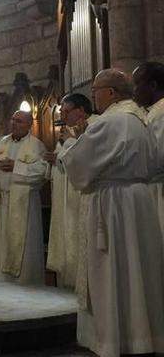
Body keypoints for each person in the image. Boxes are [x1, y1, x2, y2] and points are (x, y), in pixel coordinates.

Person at [60, 68, 164, 357]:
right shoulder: (141, 118)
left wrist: (71, 143)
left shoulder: (111, 121)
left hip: (114, 201)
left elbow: (79, 163)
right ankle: (143, 336)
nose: (93, 95)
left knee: (113, 270)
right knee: (137, 269)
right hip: (139, 200)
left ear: (112, 92)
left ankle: (115, 340)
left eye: (96, 90)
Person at [0, 110, 47, 285]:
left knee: (22, 246)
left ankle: (24, 283)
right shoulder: (1, 142)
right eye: (12, 119)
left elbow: (41, 171)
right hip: (0, 201)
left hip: (24, 203)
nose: (14, 123)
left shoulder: (36, 146)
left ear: (28, 125)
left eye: (18, 121)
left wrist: (16, 167)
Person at [43, 93, 95, 289]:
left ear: (81, 111)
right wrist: (54, 159)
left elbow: (86, 157)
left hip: (79, 194)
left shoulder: (95, 125)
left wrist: (68, 144)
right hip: (64, 195)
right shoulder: (69, 131)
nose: (63, 116)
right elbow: (63, 159)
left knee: (78, 239)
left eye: (66, 111)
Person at [133, 61, 164, 242]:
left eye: (138, 84)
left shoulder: (160, 114)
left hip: (158, 190)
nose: (134, 91)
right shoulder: (151, 113)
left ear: (152, 86)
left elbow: (158, 157)